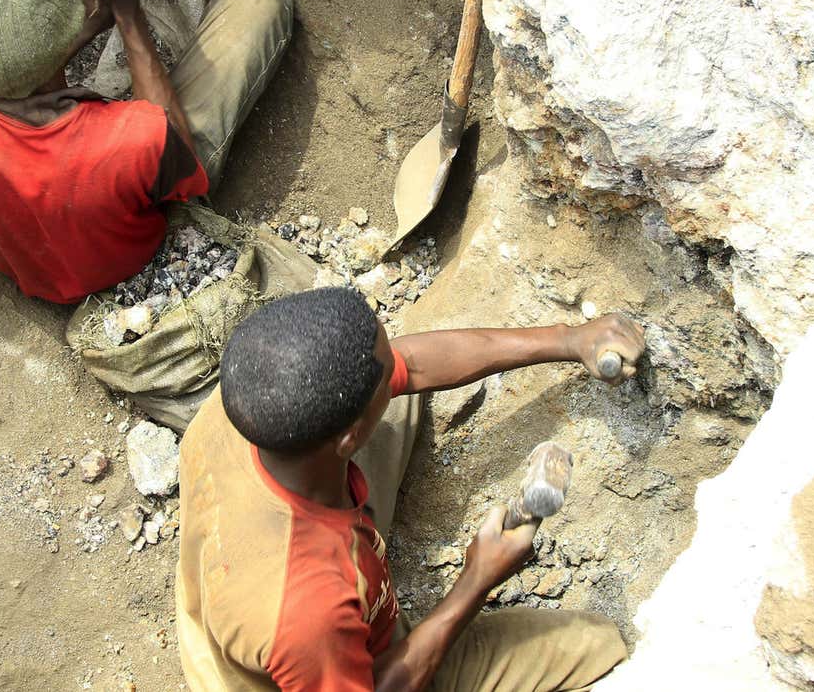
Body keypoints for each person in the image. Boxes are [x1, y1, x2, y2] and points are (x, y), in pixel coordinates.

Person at [176, 287, 647, 691]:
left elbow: (414, 366)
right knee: (596, 644)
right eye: (389, 370)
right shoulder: (306, 612)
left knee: (394, 399)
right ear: (349, 440)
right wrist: (476, 581)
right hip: (322, 663)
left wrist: (569, 339)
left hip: (248, 592)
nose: (401, 365)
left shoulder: (247, 398)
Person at [0, 0, 293, 303]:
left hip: (25, 254)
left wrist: (77, 34)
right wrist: (127, 18)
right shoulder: (132, 139)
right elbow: (164, 136)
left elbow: (3, 98)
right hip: (132, 245)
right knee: (263, 1)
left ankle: (14, 56)